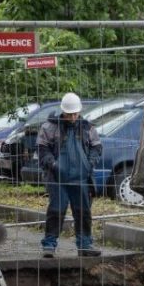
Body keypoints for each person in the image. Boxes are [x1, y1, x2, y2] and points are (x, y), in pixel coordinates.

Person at [37, 92, 102, 258]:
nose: (72, 116)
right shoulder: (49, 127)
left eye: (75, 113)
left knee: (83, 212)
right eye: (69, 113)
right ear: (62, 111)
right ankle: (49, 245)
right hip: (58, 178)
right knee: (56, 211)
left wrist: (90, 163)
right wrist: (54, 164)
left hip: (81, 178)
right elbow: (42, 150)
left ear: (79, 111)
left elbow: (96, 148)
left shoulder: (88, 127)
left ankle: (85, 245)